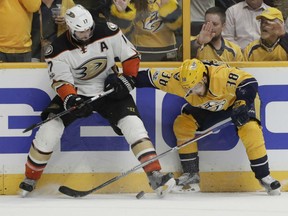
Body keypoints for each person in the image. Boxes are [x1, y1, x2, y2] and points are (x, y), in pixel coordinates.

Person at [19, 5, 175, 197]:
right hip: (77, 92)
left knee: (133, 124)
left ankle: (155, 174)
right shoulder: (57, 49)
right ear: (70, 29)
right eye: (81, 32)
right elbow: (60, 81)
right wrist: (70, 99)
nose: (86, 34)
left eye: (88, 29)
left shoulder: (108, 30)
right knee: (49, 129)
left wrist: (127, 79)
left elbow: (131, 55)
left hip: (108, 89)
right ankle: (30, 179)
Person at [134, 58, 281, 195]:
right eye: (188, 89)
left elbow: (249, 82)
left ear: (204, 78)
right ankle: (191, 175)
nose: (192, 92)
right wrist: (124, 79)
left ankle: (264, 176)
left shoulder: (221, 76)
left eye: (196, 87)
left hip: (236, 101)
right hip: (210, 106)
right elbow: (146, 76)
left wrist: (242, 103)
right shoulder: (176, 79)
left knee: (250, 129)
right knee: (182, 124)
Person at [108, 0, 182, 61]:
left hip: (167, 56)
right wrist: (122, 13)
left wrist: (168, 9)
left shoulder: (168, 1)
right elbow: (121, 34)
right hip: (141, 55)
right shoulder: (130, 2)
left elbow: (180, 29)